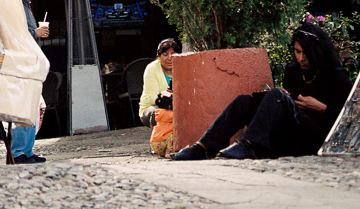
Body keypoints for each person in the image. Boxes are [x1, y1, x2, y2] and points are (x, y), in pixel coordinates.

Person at [174, 22, 353, 160]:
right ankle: (204, 147)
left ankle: (249, 146)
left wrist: (321, 108)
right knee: (245, 101)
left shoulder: (336, 76)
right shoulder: (293, 70)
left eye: (305, 53)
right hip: (289, 132)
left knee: (278, 97)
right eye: (297, 52)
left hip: (314, 137)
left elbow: (348, 123)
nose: (301, 58)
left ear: (317, 51)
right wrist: (281, 98)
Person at [10, 0, 51, 165]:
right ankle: (19, 152)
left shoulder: (25, 5)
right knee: (23, 107)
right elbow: (13, 33)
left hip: (29, 64)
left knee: (31, 107)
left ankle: (26, 150)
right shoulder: (14, 6)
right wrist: (36, 32)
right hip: (20, 65)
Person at [139, 38, 178, 127]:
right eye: (165, 55)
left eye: (173, 54)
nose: (169, 58)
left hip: (176, 106)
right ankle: (158, 140)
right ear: (159, 57)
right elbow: (154, 99)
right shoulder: (152, 68)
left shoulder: (182, 67)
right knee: (157, 113)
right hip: (153, 107)